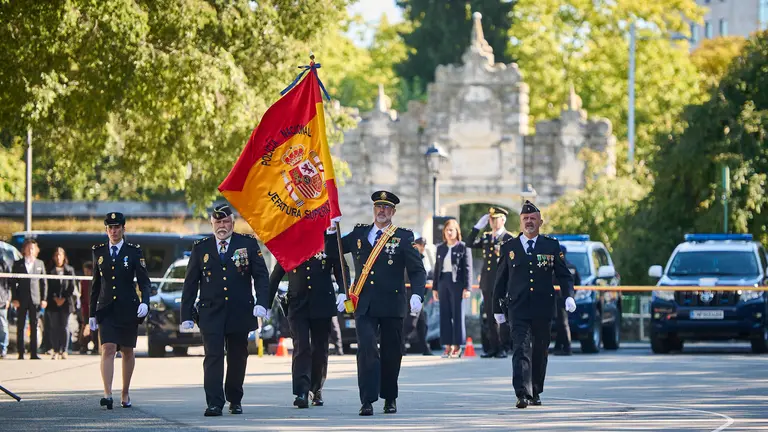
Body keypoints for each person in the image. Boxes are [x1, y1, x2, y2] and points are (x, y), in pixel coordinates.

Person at [332, 191, 426, 416]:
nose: (381, 211)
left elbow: (417, 270)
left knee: (392, 353)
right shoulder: (358, 233)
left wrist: (417, 294)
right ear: (373, 209)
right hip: (364, 303)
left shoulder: (403, 237)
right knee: (366, 349)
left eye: (386, 208)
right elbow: (332, 251)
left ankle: (389, 397)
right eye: (378, 207)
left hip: (392, 304)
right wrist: (329, 230)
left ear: (393, 212)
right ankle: (367, 399)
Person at [180, 204, 270, 417]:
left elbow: (261, 275)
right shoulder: (201, 247)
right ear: (212, 223)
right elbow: (190, 283)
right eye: (218, 222)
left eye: (226, 221)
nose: (222, 226)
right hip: (211, 313)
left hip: (239, 311)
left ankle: (234, 398)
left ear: (233, 222)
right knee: (213, 356)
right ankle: (214, 402)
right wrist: (186, 315)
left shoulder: (246, 244)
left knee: (238, 357)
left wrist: (262, 303)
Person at [493, 200, 576, 409]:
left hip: (543, 307)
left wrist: (568, 296)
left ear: (540, 221)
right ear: (520, 222)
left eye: (532, 218)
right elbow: (500, 280)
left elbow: (564, 276)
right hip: (518, 308)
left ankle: (535, 390)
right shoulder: (509, 247)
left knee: (540, 351)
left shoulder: (551, 245)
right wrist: (496, 309)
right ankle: (522, 393)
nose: (529, 222)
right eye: (525, 219)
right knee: (520, 349)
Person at [268, 233, 348, 408]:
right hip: (298, 303)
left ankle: (316, 387)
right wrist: (265, 303)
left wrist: (343, 291)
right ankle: (301, 391)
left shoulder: (329, 240)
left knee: (320, 348)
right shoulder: (290, 241)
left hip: (322, 302)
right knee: (301, 346)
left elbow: (341, 269)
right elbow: (277, 273)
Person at [88, 212, 151, 409]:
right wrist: (91, 313)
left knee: (127, 350)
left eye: (117, 227)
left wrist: (145, 302)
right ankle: (107, 393)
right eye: (110, 228)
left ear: (124, 229)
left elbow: (144, 281)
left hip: (128, 307)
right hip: (106, 308)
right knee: (107, 348)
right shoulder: (99, 251)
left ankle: (125, 392)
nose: (113, 231)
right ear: (106, 230)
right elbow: (96, 285)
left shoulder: (134, 251)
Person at [467, 206, 514, 358]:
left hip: (502, 282)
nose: (493, 222)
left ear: (503, 220)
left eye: (496, 219)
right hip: (488, 282)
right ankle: (493, 347)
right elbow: (469, 243)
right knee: (490, 315)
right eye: (491, 219)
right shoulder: (487, 237)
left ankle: (504, 347)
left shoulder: (508, 238)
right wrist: (476, 228)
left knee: (502, 316)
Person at [433, 219, 472, 358]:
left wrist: (467, 288)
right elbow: (437, 268)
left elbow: (468, 268)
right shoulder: (441, 248)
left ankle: (457, 346)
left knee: (457, 315)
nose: (449, 232)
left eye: (452, 230)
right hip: (443, 281)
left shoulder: (463, 247)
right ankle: (447, 346)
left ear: (457, 232)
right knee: (444, 315)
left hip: (457, 284)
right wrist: (435, 288)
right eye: (447, 230)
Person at [11, 238, 47, 360]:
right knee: (20, 326)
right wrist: (14, 298)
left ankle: (33, 353)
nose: (30, 251)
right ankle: (21, 352)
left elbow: (44, 283)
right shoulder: (18, 264)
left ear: (36, 250)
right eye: (28, 248)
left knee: (34, 325)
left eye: (33, 248)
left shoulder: (40, 263)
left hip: (35, 299)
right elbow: (13, 282)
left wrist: (44, 299)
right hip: (22, 299)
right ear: (24, 250)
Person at [402, 237, 433, 356]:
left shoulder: (422, 258)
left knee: (422, 324)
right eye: (420, 245)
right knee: (411, 323)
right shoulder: (411, 258)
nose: (422, 247)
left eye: (424, 245)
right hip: (412, 295)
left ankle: (425, 348)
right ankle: (400, 344)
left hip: (419, 295)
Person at [45, 247, 76, 360]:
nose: (58, 258)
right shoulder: (49, 270)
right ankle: (55, 350)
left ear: (64, 257)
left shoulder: (69, 270)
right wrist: (54, 298)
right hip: (53, 303)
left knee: (64, 326)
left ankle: (64, 350)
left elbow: (72, 287)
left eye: (60, 255)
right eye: (56, 255)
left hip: (66, 303)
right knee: (54, 327)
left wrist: (63, 298)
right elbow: (47, 286)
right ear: (54, 257)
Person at [553, 245, 581, 356]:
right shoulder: (572, 266)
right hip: (565, 299)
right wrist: (572, 296)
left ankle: (567, 347)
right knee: (562, 323)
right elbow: (578, 283)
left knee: (563, 323)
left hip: (558, 298)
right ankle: (559, 347)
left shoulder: (558, 266)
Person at [79, 261, 99, 355]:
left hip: (95, 308)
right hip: (86, 308)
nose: (86, 273)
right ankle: (84, 345)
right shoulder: (83, 281)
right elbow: (82, 295)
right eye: (85, 271)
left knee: (95, 328)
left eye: (88, 271)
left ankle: (96, 346)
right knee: (85, 326)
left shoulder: (96, 280)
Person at [0, 258, 10, 359]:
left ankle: (3, 349)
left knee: (3, 326)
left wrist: (8, 298)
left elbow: (8, 283)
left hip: (1, 299)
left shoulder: (2, 263)